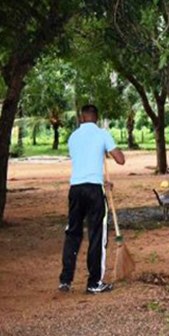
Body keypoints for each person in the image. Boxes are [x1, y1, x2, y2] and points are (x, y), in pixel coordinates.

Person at [58, 105, 125, 294]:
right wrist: (108, 148)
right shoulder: (102, 134)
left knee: (73, 233)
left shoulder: (73, 137)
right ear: (96, 117)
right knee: (97, 235)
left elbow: (83, 162)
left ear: (82, 118)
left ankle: (65, 280)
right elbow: (120, 159)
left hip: (76, 189)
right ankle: (94, 282)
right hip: (94, 191)